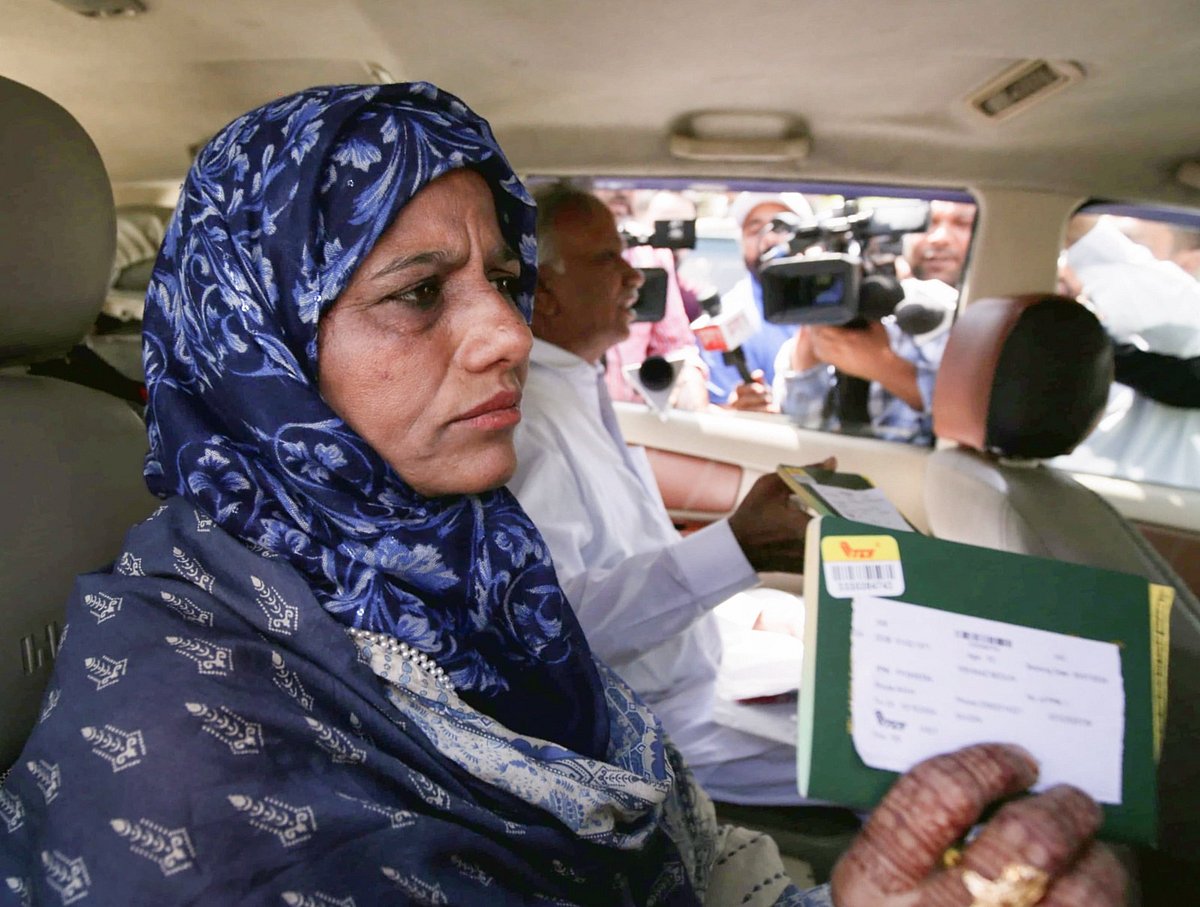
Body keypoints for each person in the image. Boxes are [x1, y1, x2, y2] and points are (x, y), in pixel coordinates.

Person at [0, 83, 1124, 907]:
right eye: (417, 292)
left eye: (499, 276)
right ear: (262, 350)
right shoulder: (201, 778)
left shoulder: (461, 549)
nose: (503, 329)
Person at [772, 200, 974, 445]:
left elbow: (976, 425)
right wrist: (807, 353)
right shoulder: (834, 317)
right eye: (928, 224)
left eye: (962, 223)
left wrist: (888, 369)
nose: (938, 239)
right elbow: (801, 432)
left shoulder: (974, 327)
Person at [1054, 214, 1200, 487]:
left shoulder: (1188, 337)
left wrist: (1086, 236)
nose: (1069, 261)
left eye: (1132, 244)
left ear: (1190, 265)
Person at [592, 187, 710, 411]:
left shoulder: (652, 252)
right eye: (607, 181)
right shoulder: (548, 255)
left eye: (628, 181)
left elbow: (675, 347)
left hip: (639, 430)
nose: (620, 191)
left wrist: (689, 383)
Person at [700, 191, 811, 411]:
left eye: (781, 226)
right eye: (755, 229)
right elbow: (716, 412)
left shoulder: (837, 301)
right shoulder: (725, 318)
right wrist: (738, 411)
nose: (769, 239)